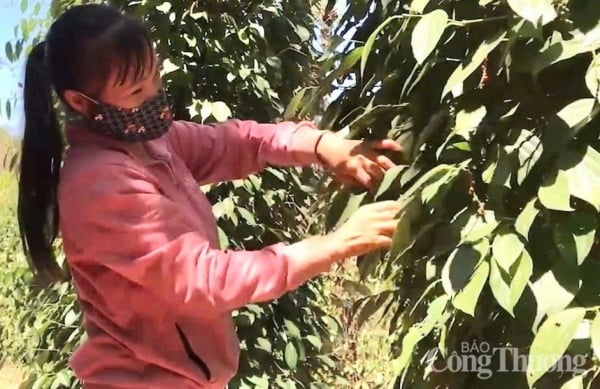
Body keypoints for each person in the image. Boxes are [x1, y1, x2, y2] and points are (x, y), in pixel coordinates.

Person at [17, 4, 403, 388]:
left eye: (155, 77)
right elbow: (205, 279)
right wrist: (336, 244)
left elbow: (237, 141)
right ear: (81, 102)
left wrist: (320, 144)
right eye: (136, 89)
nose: (155, 96)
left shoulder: (152, 143)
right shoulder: (99, 184)